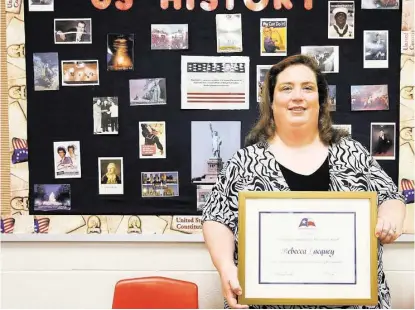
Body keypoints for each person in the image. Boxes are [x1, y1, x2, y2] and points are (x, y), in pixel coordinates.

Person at [201, 54, 406, 309]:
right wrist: (225, 268)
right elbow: (217, 217)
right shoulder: (245, 162)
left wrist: (389, 220)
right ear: (271, 102)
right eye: (286, 88)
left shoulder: (352, 153)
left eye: (307, 88)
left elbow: (390, 197)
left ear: (321, 101)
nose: (297, 96)